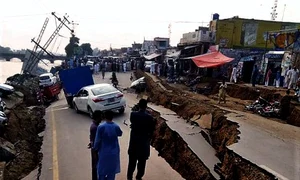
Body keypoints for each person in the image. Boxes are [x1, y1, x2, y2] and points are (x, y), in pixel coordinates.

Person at [127, 99, 156, 180]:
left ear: (138, 105)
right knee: (142, 163)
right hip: (143, 145)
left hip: (133, 144)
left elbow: (133, 122)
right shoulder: (149, 118)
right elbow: (152, 129)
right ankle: (139, 177)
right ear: (146, 106)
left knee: (131, 163)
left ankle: (129, 177)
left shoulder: (133, 114)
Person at [94, 111, 122, 180]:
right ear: (112, 117)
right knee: (111, 172)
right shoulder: (116, 126)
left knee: (102, 171)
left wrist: (95, 148)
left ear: (104, 116)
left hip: (104, 152)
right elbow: (120, 134)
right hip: (114, 152)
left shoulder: (101, 127)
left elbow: (97, 140)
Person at [88, 111, 102, 180]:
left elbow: (91, 137)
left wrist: (91, 142)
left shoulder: (94, 125)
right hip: (96, 149)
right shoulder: (95, 127)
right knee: (96, 165)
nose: (101, 118)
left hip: (94, 147)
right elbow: (97, 139)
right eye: (100, 117)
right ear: (97, 117)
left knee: (95, 165)